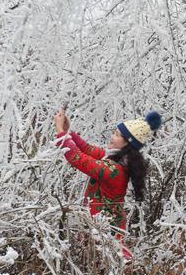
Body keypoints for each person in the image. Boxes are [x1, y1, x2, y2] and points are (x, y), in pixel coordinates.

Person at [53, 108, 163, 259]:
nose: (112, 137)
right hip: (99, 226)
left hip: (105, 230)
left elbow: (77, 158)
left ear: (128, 144)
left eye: (118, 135)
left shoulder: (113, 170)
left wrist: (60, 132)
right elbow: (86, 149)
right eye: (115, 132)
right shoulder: (113, 158)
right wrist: (67, 132)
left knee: (108, 265)